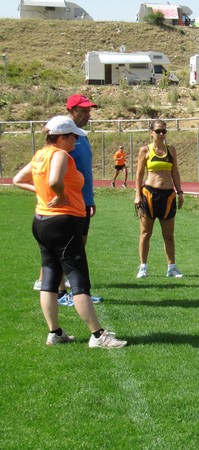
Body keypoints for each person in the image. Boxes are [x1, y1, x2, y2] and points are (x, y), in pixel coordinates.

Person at [13, 116, 127, 348]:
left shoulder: (40, 154)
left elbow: (18, 179)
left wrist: (45, 194)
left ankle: (55, 333)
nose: (76, 139)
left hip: (42, 220)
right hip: (62, 223)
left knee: (50, 278)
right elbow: (55, 180)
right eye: (73, 136)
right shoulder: (60, 154)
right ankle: (98, 335)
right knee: (78, 280)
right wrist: (60, 196)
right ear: (62, 137)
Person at [33, 94, 104, 305]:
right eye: (84, 111)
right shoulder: (63, 140)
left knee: (76, 246)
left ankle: (50, 283)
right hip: (67, 205)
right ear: (71, 111)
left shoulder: (81, 136)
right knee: (68, 250)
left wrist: (89, 199)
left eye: (89, 111)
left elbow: (83, 171)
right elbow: (53, 175)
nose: (88, 115)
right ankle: (62, 291)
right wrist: (58, 195)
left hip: (81, 200)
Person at [134, 119, 185, 279]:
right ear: (151, 133)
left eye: (164, 131)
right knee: (145, 233)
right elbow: (139, 174)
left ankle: (172, 267)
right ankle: (143, 267)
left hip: (168, 195)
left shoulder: (171, 150)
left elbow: (175, 172)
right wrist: (137, 195)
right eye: (158, 131)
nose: (161, 134)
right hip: (149, 194)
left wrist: (180, 192)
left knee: (168, 235)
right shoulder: (145, 150)